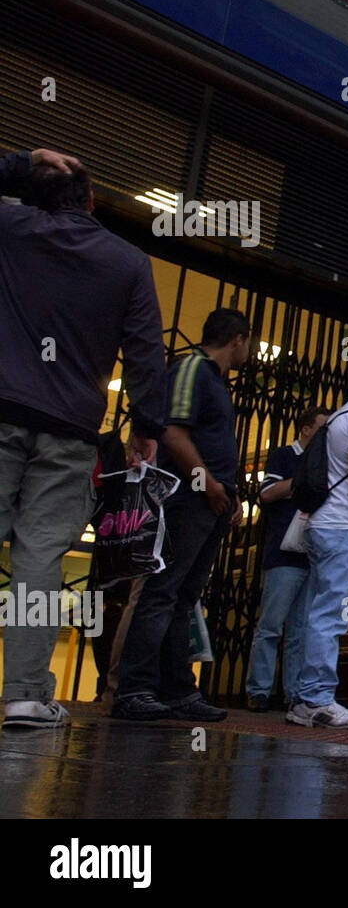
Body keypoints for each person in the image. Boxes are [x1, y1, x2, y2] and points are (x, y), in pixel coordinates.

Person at [0, 148, 166, 728]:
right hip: (69, 427)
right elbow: (147, 352)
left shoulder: (11, 228)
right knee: (41, 555)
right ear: (91, 203)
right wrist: (147, 427)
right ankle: (23, 693)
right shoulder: (127, 261)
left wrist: (19, 163)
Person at [113, 308, 252, 722]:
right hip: (189, 500)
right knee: (163, 591)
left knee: (183, 597)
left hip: (210, 501)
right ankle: (135, 688)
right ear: (239, 340)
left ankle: (178, 690)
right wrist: (207, 484)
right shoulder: (194, 368)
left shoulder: (215, 381)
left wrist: (227, 492)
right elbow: (173, 431)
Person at [286, 354, 348, 728]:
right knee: (332, 615)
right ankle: (316, 699)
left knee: (316, 613)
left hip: (320, 527)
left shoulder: (336, 420)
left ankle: (303, 697)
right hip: (345, 529)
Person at [245, 405, 329, 711]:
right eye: (322, 427)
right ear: (306, 428)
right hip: (283, 553)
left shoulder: (327, 462)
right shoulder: (284, 456)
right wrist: (301, 481)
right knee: (270, 625)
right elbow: (266, 493)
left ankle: (293, 693)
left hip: (311, 554)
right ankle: (259, 690)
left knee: (299, 630)